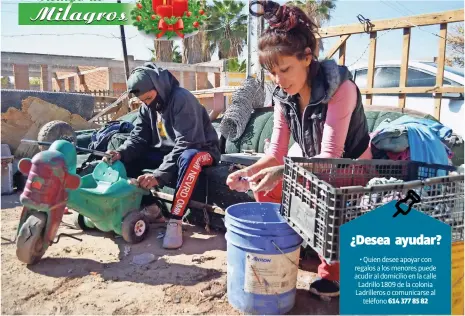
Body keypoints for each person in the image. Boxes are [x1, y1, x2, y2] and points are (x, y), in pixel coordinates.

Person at [226, 0, 372, 298]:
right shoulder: (283, 95)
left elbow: (332, 156)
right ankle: (287, 248)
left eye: (285, 69)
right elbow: (276, 152)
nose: (279, 80)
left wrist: (283, 171)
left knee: (325, 196)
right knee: (262, 185)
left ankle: (333, 275)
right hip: (313, 165)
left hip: (352, 170)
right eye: (273, 73)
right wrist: (248, 170)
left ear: (307, 57)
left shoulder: (340, 89)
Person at [105, 62, 221, 249]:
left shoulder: (182, 99)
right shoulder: (146, 107)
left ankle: (175, 221)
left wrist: (158, 174)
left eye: (150, 98)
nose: (148, 103)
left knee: (189, 158)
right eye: (143, 101)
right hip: (169, 152)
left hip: (201, 150)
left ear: (158, 86)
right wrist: (120, 153)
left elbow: (187, 143)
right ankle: (152, 208)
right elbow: (138, 139)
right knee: (128, 158)